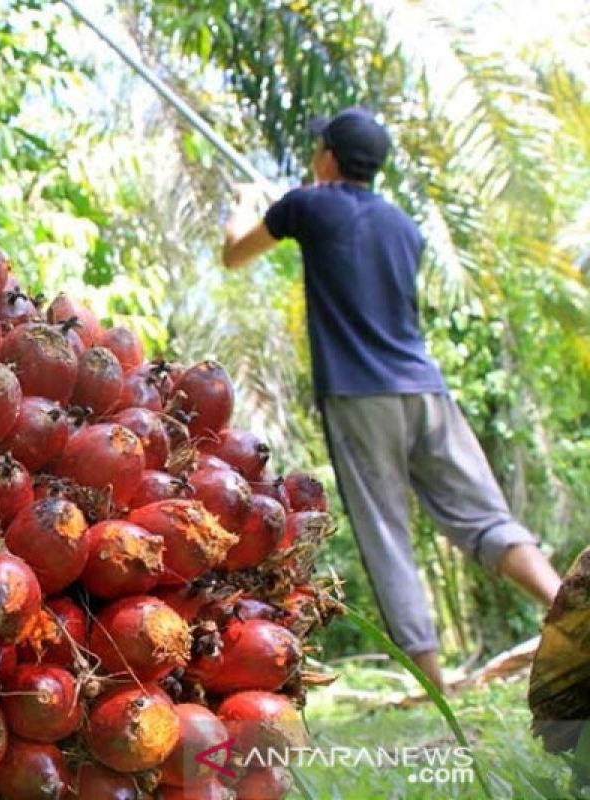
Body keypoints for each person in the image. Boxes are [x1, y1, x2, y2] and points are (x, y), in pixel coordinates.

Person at [220, 107, 562, 691]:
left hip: (360, 397)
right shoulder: (405, 228)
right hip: (426, 392)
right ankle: (571, 608)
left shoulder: (307, 203)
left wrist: (248, 203)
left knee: (386, 534)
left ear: (327, 156)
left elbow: (235, 253)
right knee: (486, 518)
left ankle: (435, 687)